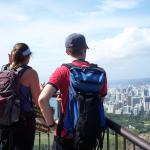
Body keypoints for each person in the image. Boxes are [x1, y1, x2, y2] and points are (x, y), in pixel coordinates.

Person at [38, 33, 107, 150]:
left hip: (66, 135)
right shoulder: (100, 72)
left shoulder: (63, 71)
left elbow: (42, 99)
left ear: (67, 52)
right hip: (90, 134)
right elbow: (99, 100)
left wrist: (52, 126)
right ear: (85, 49)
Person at [0, 43, 41, 150]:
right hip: (23, 121)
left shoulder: (4, 70)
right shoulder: (31, 73)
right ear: (27, 57)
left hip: (4, 119)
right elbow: (39, 101)